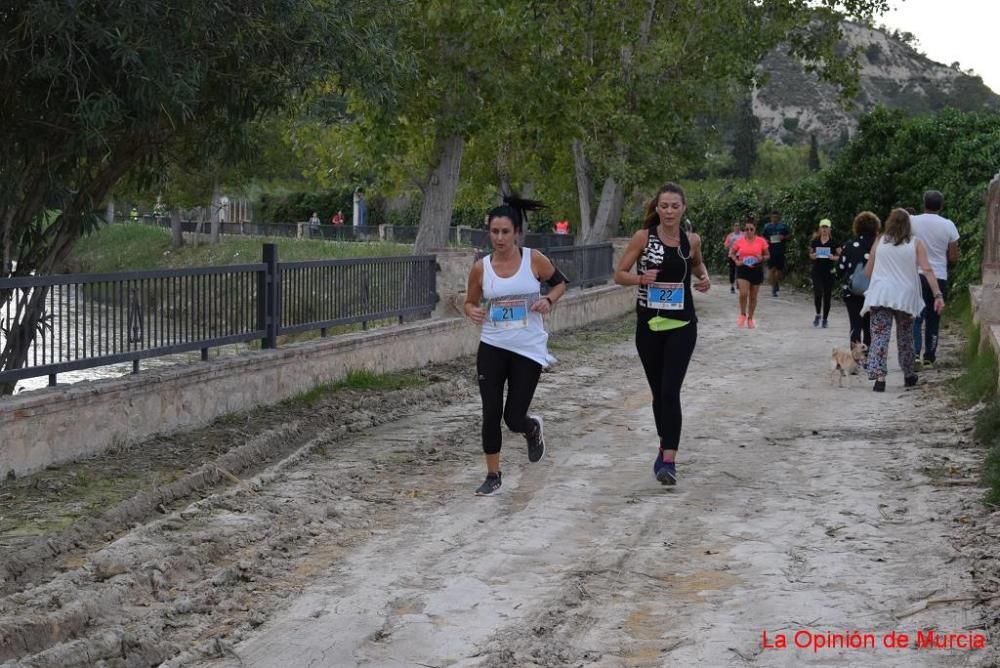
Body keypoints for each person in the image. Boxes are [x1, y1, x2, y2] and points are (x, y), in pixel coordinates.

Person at [463, 195, 567, 496]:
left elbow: (560, 282)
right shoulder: (481, 268)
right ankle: (493, 475)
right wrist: (471, 310)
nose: (499, 238)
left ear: (516, 232)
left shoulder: (533, 259)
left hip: (527, 347)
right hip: (492, 344)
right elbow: (469, 301)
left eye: (505, 232)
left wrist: (548, 299)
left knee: (513, 417)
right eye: (494, 232)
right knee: (491, 411)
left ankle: (531, 428)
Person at [614, 182, 710, 486]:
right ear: (657, 209)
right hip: (649, 326)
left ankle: (669, 459)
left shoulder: (690, 240)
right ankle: (663, 442)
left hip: (682, 324)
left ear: (683, 209)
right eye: (664, 206)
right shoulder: (644, 237)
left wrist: (704, 278)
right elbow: (619, 274)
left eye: (675, 206)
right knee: (659, 393)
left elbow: (696, 265)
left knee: (671, 391)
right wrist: (641, 278)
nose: (669, 211)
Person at [861, 208, 945, 392]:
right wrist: (937, 294)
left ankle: (880, 378)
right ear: (909, 224)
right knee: (905, 336)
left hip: (881, 294)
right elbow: (928, 270)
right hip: (904, 297)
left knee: (879, 336)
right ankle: (908, 374)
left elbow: (868, 271)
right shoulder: (916, 243)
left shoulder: (880, 240)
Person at [910, 190, 960, 369]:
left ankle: (914, 353)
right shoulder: (948, 225)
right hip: (938, 276)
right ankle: (929, 357)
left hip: (916, 274)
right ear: (941, 206)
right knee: (933, 318)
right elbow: (953, 256)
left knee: (916, 316)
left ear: (924, 203)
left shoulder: (912, 221)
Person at [838, 211, 881, 349]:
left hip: (852, 291)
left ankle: (855, 358)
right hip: (874, 291)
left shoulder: (850, 245)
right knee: (870, 325)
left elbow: (840, 269)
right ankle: (869, 356)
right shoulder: (880, 245)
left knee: (855, 324)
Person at [729, 217, 769, 329]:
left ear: (755, 229)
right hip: (743, 269)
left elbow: (767, 255)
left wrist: (761, 257)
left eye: (751, 229)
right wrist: (736, 261)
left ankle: (750, 318)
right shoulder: (739, 241)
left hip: (756, 269)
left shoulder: (761, 241)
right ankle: (742, 314)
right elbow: (732, 253)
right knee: (743, 294)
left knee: (753, 297)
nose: (749, 231)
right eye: (746, 229)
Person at [809, 218, 841, 328]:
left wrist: (834, 257)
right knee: (818, 292)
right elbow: (811, 254)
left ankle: (825, 319)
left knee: (827, 295)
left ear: (830, 229)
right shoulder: (815, 241)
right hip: (817, 270)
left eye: (826, 227)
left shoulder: (834, 242)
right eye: (822, 227)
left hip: (829, 271)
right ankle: (818, 313)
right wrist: (813, 256)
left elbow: (841, 256)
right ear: (819, 229)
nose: (824, 229)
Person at [762, 210, 790, 297]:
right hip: (770, 250)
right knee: (771, 269)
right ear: (771, 217)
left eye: (776, 217)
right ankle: (773, 288)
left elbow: (789, 235)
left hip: (780, 250)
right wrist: (766, 241)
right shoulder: (767, 226)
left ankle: (776, 282)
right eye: (773, 217)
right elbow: (763, 237)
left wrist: (784, 237)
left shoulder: (783, 226)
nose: (775, 219)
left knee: (779, 271)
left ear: (779, 217)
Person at [723, 221, 742, 294]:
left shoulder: (743, 235)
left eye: (738, 226)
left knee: (740, 269)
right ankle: (732, 286)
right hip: (732, 255)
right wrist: (729, 245)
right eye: (736, 226)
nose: (737, 227)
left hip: (740, 255)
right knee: (732, 271)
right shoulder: (730, 236)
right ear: (733, 227)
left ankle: (738, 282)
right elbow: (725, 246)